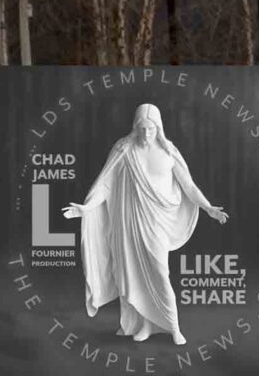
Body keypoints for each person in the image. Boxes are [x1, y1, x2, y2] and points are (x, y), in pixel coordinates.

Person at [64, 103, 227, 347]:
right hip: (130, 223)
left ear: (158, 128)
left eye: (151, 129)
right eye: (142, 128)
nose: (146, 134)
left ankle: (174, 327)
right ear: (135, 127)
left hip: (158, 222)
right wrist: (86, 208)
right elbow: (105, 185)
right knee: (135, 274)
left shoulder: (169, 151)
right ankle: (145, 325)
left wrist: (208, 207)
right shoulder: (123, 150)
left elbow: (189, 186)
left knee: (160, 273)